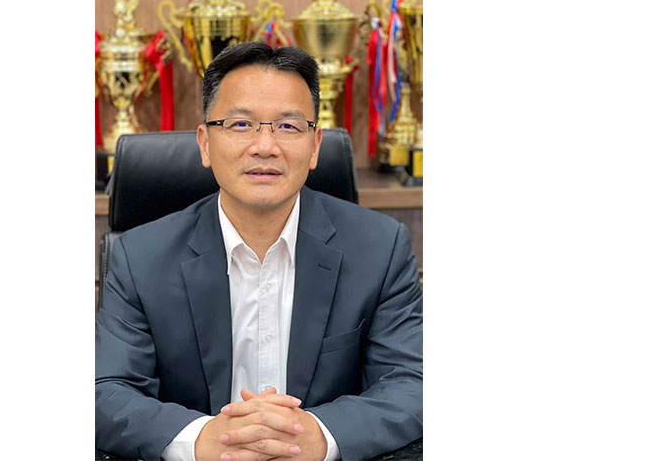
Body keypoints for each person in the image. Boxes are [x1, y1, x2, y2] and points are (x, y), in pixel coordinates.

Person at [95, 42, 423, 461]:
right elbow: (106, 390)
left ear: (315, 145)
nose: (265, 146)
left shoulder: (380, 248)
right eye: (240, 124)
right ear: (205, 143)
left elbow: (413, 381)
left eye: (287, 126)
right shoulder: (141, 257)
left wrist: (322, 436)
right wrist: (201, 439)